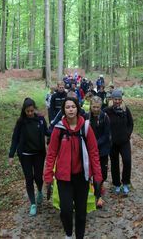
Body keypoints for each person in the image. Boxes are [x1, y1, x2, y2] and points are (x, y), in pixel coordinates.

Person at [44, 96, 102, 239]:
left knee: (81, 214)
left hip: (82, 176)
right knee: (66, 210)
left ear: (78, 108)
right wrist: (48, 175)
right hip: (64, 178)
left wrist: (97, 176)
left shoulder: (86, 128)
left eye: (73, 107)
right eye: (67, 107)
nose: (70, 109)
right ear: (64, 110)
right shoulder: (59, 129)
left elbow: (94, 152)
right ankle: (69, 234)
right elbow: (51, 154)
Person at [8, 98, 50, 216]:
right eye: (28, 111)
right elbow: (15, 138)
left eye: (32, 111)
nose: (30, 113)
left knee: (38, 176)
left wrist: (57, 133)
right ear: (24, 111)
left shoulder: (40, 120)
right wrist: (11, 155)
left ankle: (40, 191)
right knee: (29, 177)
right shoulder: (21, 122)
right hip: (25, 154)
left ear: (34, 109)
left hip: (39, 154)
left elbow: (47, 132)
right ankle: (32, 203)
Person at [105, 89, 133, 195]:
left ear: (121, 100)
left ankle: (125, 183)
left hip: (124, 141)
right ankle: (116, 184)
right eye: (115, 99)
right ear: (112, 99)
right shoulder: (107, 110)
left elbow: (131, 124)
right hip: (112, 143)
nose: (117, 101)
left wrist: (128, 134)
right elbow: (102, 122)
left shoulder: (126, 110)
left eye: (119, 99)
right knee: (114, 163)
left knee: (127, 160)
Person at [85, 96, 111, 208]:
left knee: (103, 172)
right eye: (94, 107)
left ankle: (99, 185)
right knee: (92, 172)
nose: (96, 109)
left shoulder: (104, 117)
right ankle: (98, 196)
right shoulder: (86, 117)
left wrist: (96, 143)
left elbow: (107, 134)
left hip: (102, 149)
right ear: (90, 106)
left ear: (101, 107)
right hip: (89, 149)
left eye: (98, 107)